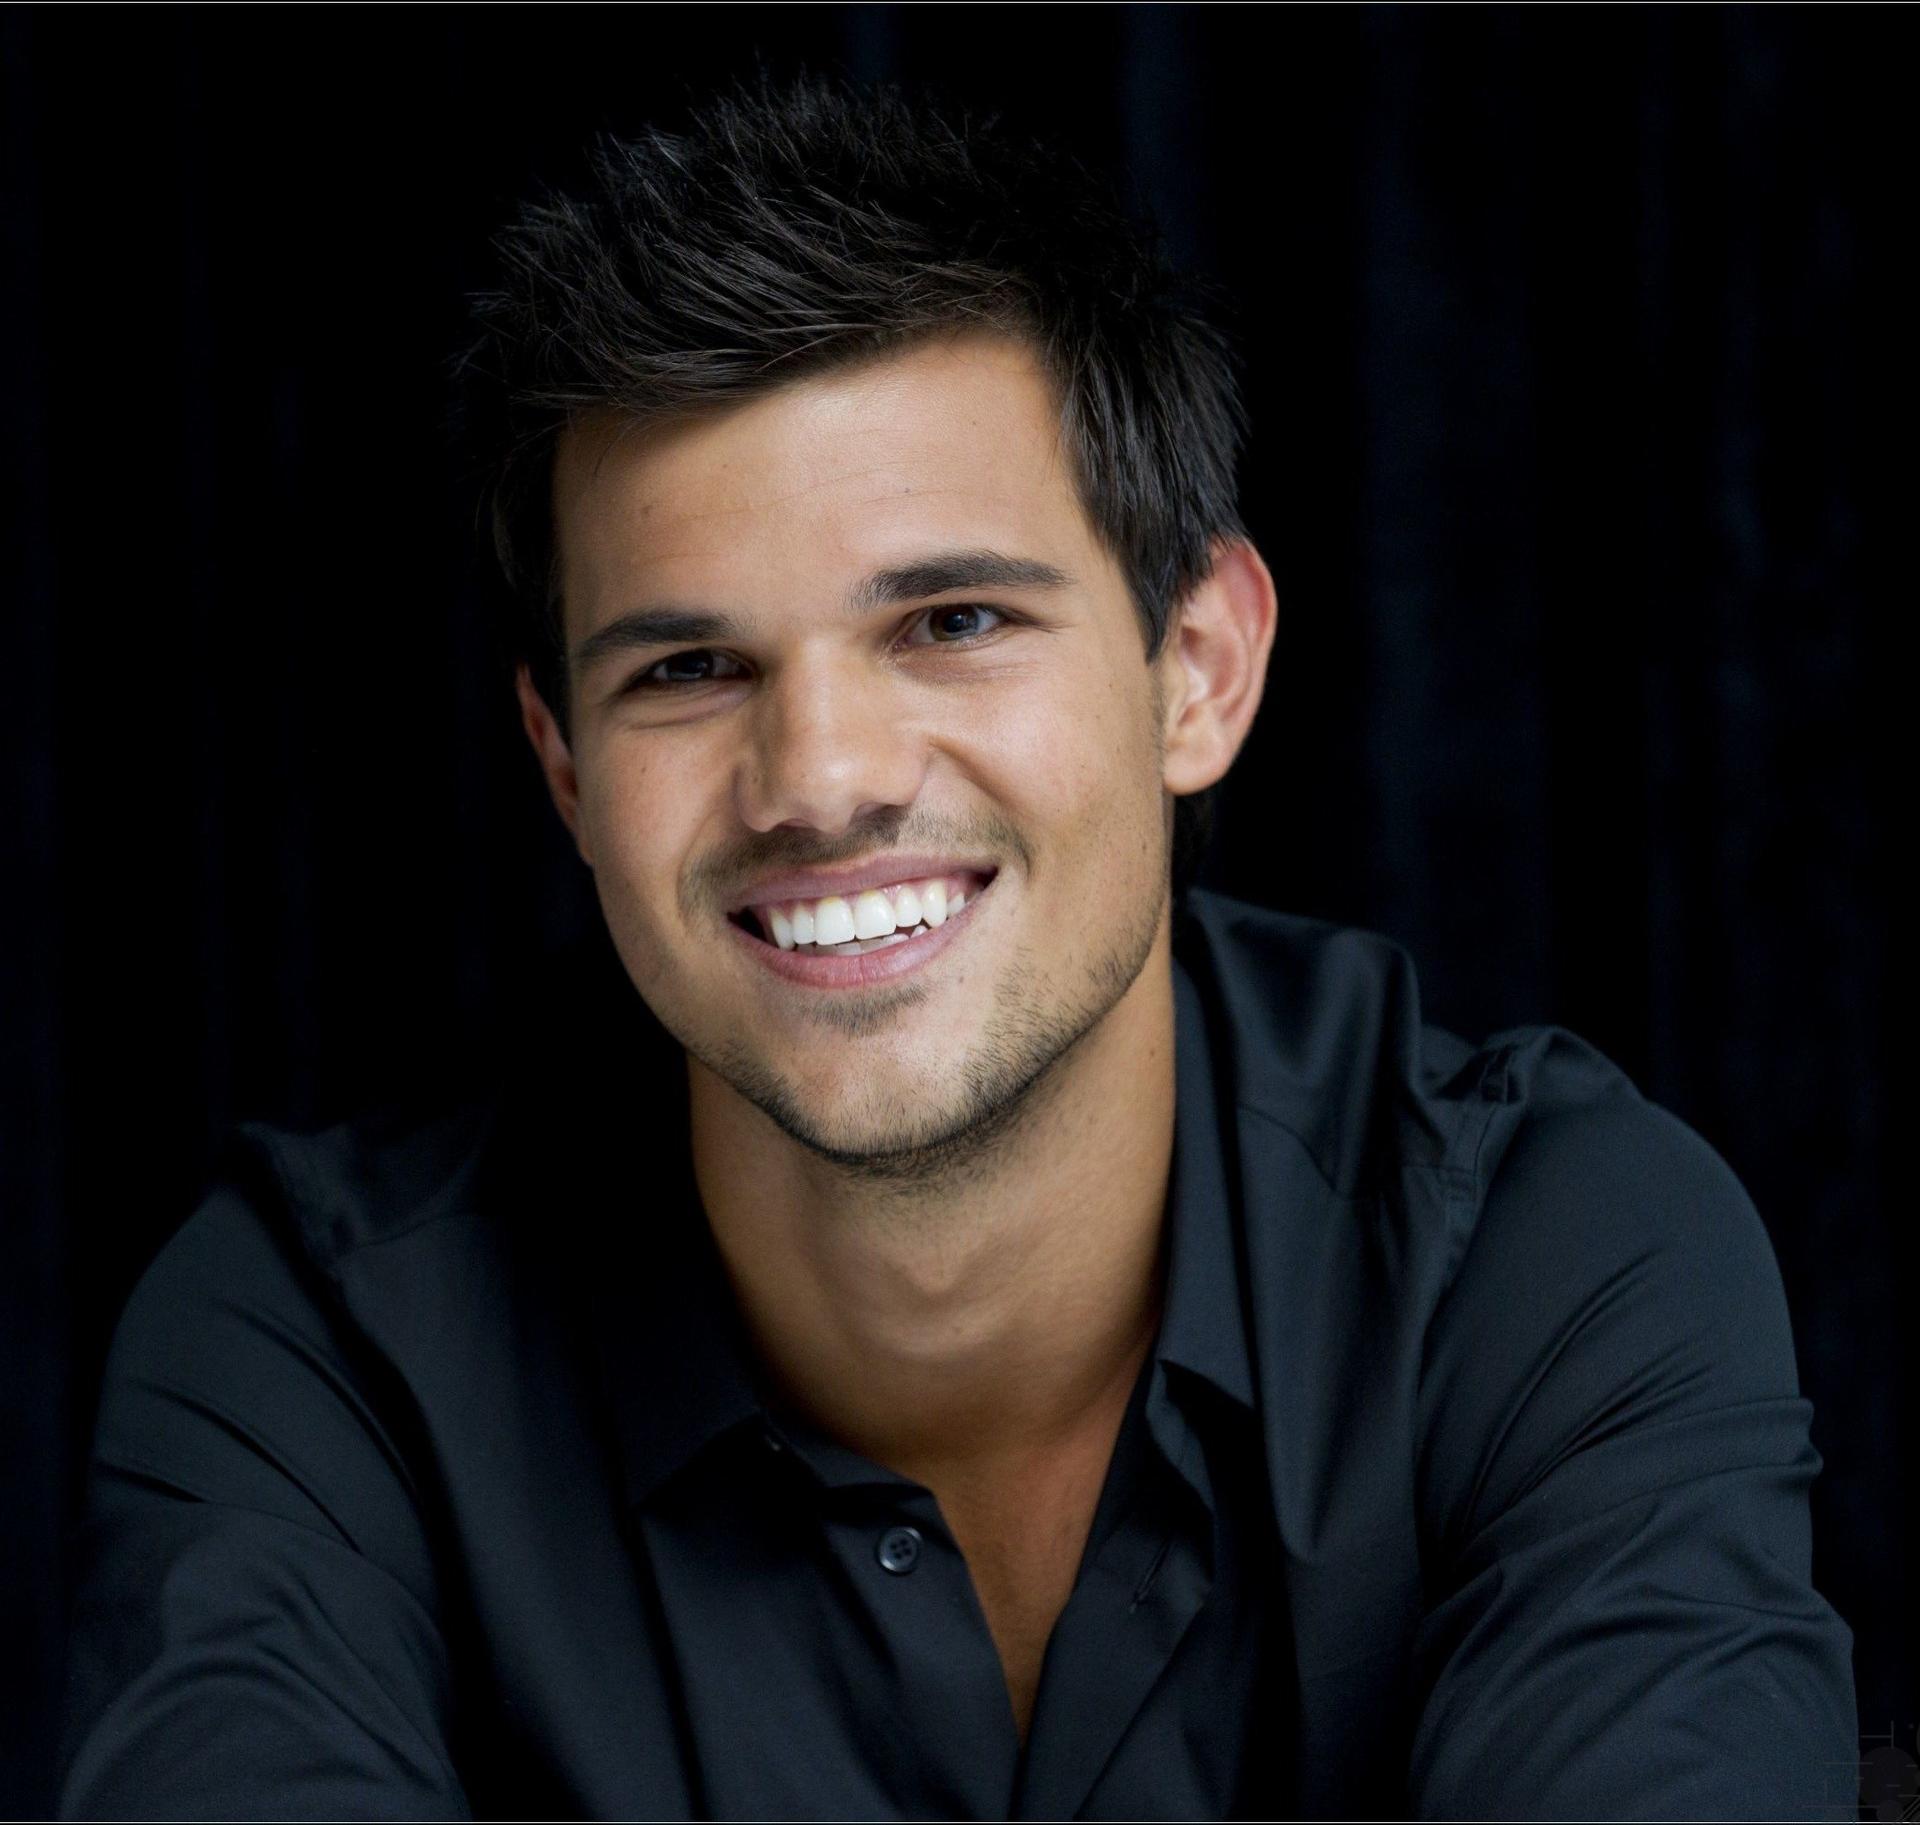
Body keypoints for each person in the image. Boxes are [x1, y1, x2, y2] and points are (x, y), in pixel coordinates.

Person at [57, 68, 1856, 1821]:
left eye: (952, 620)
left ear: (1199, 670)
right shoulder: (317, 1360)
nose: (820, 778)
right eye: (689, 667)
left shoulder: (1544, 1261)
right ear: (567, 768)